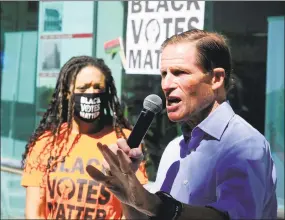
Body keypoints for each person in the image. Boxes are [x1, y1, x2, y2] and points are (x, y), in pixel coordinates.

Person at [86, 29, 278, 220]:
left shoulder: (244, 144)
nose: (166, 84)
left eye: (179, 73)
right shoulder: (174, 149)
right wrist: (126, 192)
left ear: (216, 79)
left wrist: (155, 204)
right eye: (164, 74)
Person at [21, 56, 148, 219]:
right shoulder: (46, 143)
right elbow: (34, 212)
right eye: (83, 88)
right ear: (67, 93)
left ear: (106, 92)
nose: (91, 93)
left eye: (98, 87)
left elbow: (134, 211)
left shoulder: (124, 142)